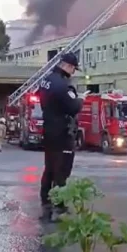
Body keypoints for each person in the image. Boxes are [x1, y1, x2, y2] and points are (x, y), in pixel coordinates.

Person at [38, 52, 87, 221]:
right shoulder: (62, 85)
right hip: (62, 133)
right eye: (73, 69)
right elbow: (73, 107)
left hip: (49, 131)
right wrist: (81, 100)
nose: (73, 72)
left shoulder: (46, 80)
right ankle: (58, 208)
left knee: (49, 169)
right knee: (62, 171)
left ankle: (45, 205)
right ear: (67, 66)